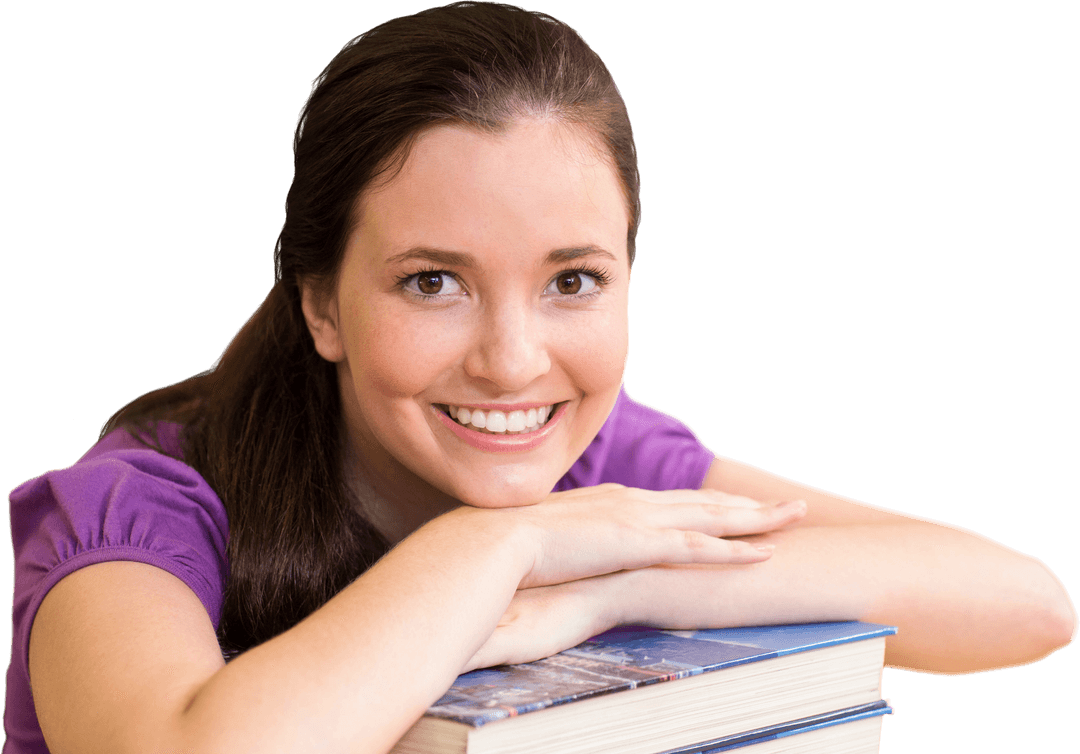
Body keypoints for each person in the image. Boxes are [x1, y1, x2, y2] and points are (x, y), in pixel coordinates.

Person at [5, 3, 1075, 753]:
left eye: (573, 281)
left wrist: (614, 585)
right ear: (320, 305)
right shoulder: (136, 509)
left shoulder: (601, 466)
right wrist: (494, 549)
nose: (513, 361)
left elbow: (1027, 605)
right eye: (432, 282)